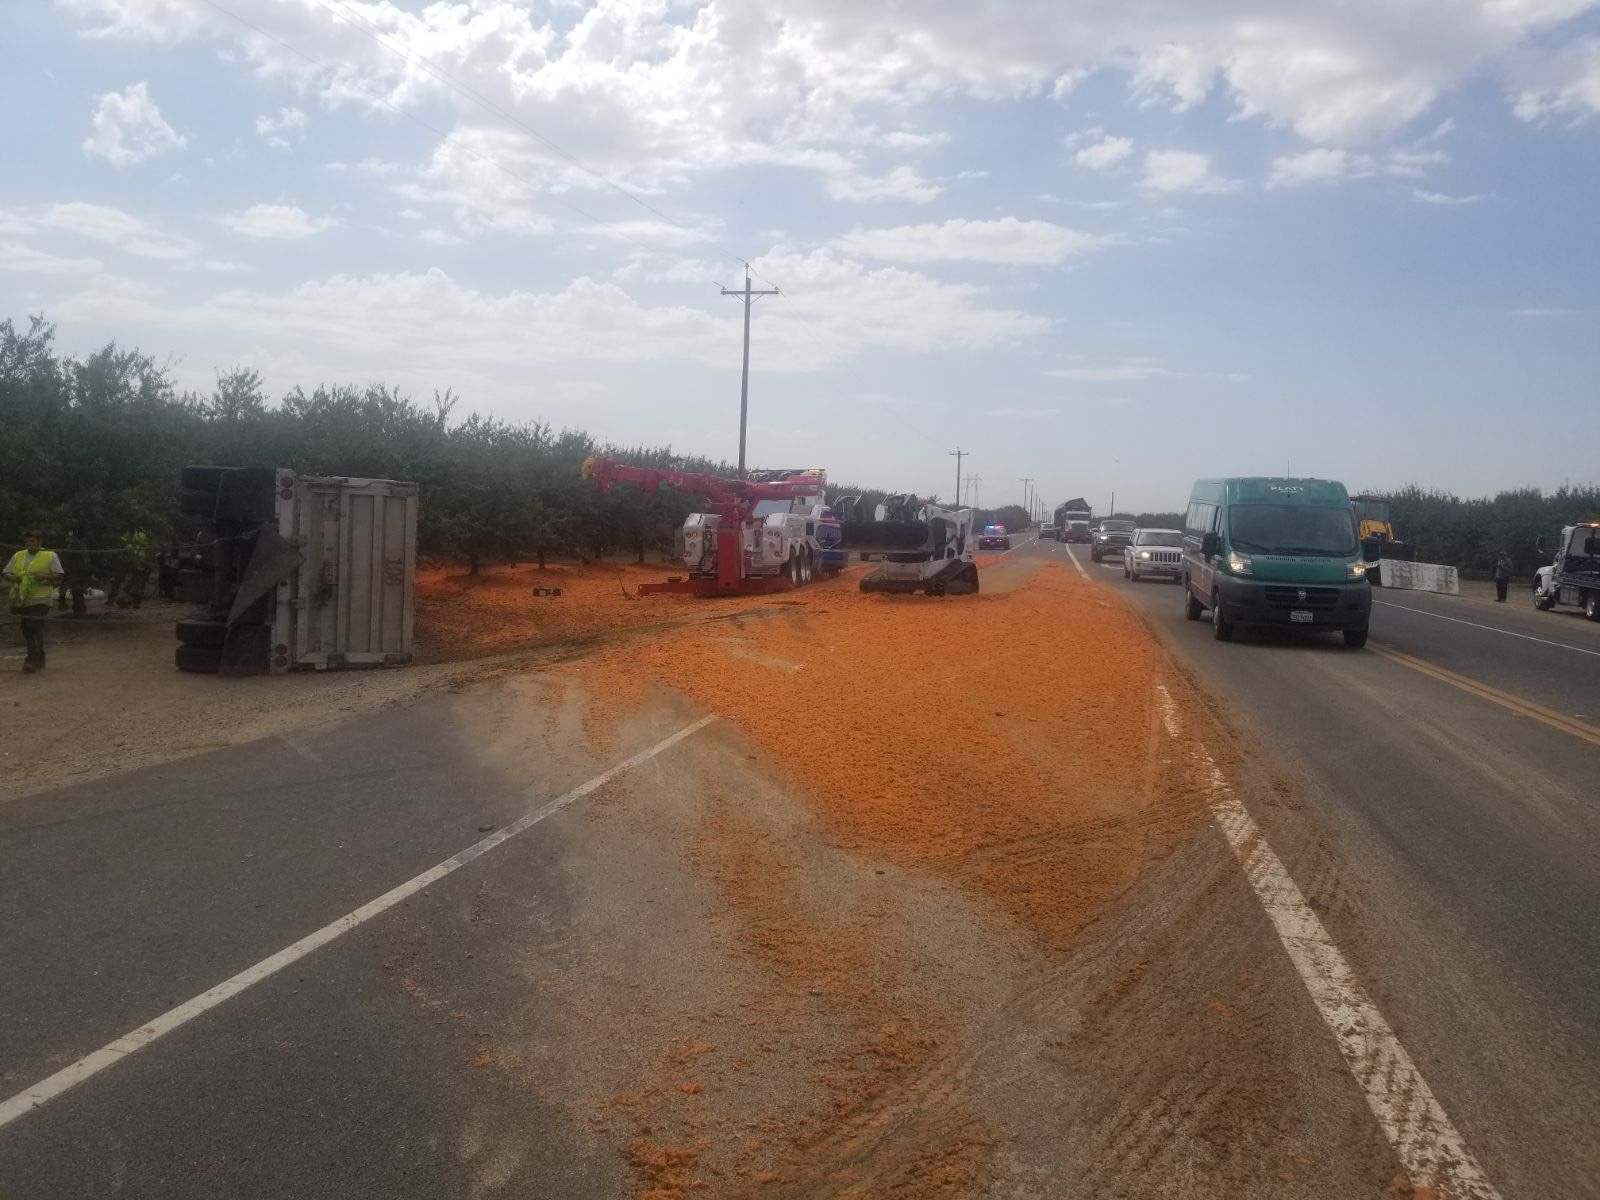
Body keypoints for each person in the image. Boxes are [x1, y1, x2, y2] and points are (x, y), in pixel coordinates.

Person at [5, 532, 66, 673]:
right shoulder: (18, 555)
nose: (29, 544)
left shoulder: (50, 555)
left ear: (39, 541)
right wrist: (14, 578)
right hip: (22, 598)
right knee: (30, 628)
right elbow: (6, 573)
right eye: (27, 541)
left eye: (32, 541)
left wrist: (44, 576)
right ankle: (39, 657)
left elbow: (59, 575)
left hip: (41, 597)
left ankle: (31, 660)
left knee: (31, 624)